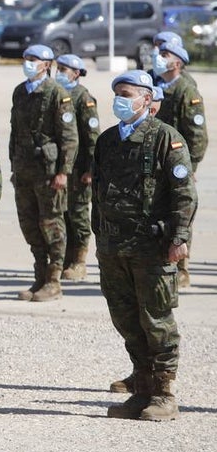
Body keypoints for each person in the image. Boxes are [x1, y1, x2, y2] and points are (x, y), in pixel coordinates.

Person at [93, 70, 196, 421]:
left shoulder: (167, 139)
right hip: (112, 248)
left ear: (147, 100)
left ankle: (164, 394)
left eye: (127, 93)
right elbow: (98, 194)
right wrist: (99, 237)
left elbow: (184, 194)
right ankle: (142, 388)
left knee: (156, 320)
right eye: (117, 93)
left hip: (150, 248)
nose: (120, 99)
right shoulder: (107, 140)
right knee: (126, 319)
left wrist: (179, 238)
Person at [9, 44, 78, 302]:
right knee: (30, 224)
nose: (28, 63)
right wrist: (14, 165)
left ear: (47, 64)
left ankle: (53, 280)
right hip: (24, 170)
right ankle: (39, 275)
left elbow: (69, 138)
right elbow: (15, 132)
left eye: (34, 59)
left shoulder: (56, 93)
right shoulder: (20, 92)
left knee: (51, 223)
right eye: (26, 58)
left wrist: (64, 171)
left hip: (48, 172)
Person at [151, 40, 206, 287]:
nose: (158, 57)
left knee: (181, 213)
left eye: (164, 54)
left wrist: (189, 167)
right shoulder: (153, 85)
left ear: (178, 62)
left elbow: (197, 135)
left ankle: (182, 269)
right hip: (154, 164)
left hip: (177, 163)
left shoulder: (186, 91)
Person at [54, 54, 99, 281]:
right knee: (62, 213)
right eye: (58, 68)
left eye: (65, 69)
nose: (60, 72)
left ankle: (79, 261)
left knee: (78, 214)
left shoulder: (84, 99)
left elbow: (92, 136)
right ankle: (65, 257)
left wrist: (91, 168)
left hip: (79, 169)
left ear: (77, 73)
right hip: (60, 168)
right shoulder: (56, 93)